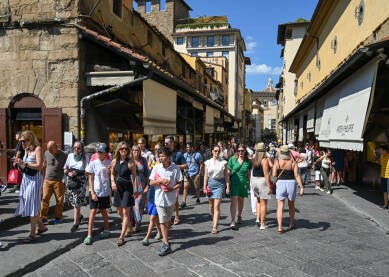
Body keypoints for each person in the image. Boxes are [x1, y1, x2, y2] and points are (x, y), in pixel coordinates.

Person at [149, 146, 183, 256]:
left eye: (162, 156)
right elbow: (151, 183)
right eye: (159, 156)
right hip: (159, 199)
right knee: (162, 221)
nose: (160, 158)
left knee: (167, 221)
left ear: (169, 157)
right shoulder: (156, 168)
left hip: (171, 200)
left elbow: (180, 183)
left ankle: (165, 238)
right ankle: (166, 244)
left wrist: (172, 189)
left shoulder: (175, 168)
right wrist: (160, 180)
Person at [14, 130, 47, 243]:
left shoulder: (38, 149)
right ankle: (42, 226)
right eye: (21, 141)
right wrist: (19, 163)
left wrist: (25, 163)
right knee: (28, 203)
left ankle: (32, 234)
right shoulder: (27, 150)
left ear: (30, 139)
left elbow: (39, 166)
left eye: (23, 141)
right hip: (27, 179)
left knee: (33, 206)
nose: (22, 143)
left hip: (35, 180)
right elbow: (26, 166)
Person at [111, 141, 139, 246]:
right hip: (118, 189)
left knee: (125, 213)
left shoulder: (131, 162)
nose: (124, 150)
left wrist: (136, 190)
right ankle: (129, 228)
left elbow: (135, 177)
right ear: (118, 149)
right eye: (122, 148)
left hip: (127, 189)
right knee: (119, 211)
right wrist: (113, 183)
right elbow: (112, 174)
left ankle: (121, 236)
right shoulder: (114, 161)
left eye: (126, 149)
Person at [84, 143, 112, 245]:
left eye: (101, 152)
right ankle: (89, 235)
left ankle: (107, 230)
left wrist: (110, 171)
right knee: (92, 212)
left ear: (105, 153)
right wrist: (92, 192)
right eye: (98, 152)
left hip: (104, 191)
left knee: (104, 211)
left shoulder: (109, 163)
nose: (98, 153)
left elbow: (111, 178)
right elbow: (90, 179)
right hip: (94, 190)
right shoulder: (93, 163)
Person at [272, 145, 304, 234]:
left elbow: (274, 175)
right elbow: (297, 175)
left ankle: (279, 227)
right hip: (291, 183)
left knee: (280, 206)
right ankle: (292, 223)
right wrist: (301, 187)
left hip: (281, 183)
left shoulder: (277, 162)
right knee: (291, 205)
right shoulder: (293, 162)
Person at [203, 145, 230, 234]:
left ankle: (215, 226)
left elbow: (226, 175)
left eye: (218, 151)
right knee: (211, 206)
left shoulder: (224, 162)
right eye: (215, 151)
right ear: (212, 151)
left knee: (216, 206)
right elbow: (206, 175)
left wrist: (227, 186)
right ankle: (215, 215)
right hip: (210, 184)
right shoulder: (208, 162)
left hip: (220, 184)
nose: (217, 153)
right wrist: (204, 186)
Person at [64, 141, 89, 233]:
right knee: (72, 201)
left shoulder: (85, 157)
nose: (76, 149)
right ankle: (80, 216)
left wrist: (77, 172)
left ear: (82, 148)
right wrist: (68, 173)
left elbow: (87, 171)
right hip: (71, 180)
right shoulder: (70, 156)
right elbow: (65, 168)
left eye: (78, 148)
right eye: (75, 148)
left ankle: (75, 223)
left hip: (81, 181)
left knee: (76, 202)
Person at [40, 141, 68, 224]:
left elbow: (67, 167)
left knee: (59, 201)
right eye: (48, 149)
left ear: (56, 147)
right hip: (47, 180)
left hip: (58, 181)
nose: (50, 151)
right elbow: (44, 164)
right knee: (45, 199)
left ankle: (58, 217)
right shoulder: (46, 153)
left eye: (51, 149)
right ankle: (43, 218)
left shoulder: (64, 155)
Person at [227, 144, 252, 230]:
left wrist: (249, 184)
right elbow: (228, 171)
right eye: (239, 150)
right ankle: (233, 221)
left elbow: (248, 173)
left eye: (242, 150)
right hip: (233, 183)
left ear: (245, 151)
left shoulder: (248, 161)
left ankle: (239, 215)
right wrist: (227, 183)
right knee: (233, 201)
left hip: (243, 183)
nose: (240, 152)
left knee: (241, 200)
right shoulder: (232, 159)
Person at [142, 143, 162, 245]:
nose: (157, 151)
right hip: (152, 190)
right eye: (155, 149)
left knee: (153, 217)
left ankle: (147, 237)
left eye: (159, 149)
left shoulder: (164, 161)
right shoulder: (152, 157)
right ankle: (159, 231)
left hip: (160, 191)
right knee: (154, 215)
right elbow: (148, 171)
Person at [164, 136, 187, 225]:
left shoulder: (178, 154)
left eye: (167, 143)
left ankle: (177, 216)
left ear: (172, 143)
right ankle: (168, 216)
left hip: (176, 179)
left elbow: (186, 165)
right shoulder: (164, 153)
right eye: (164, 143)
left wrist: (175, 165)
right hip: (166, 179)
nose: (165, 144)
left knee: (175, 199)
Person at [250, 143, 271, 230]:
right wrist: (269, 186)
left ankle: (258, 218)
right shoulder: (264, 159)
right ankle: (263, 224)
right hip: (262, 181)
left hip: (254, 180)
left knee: (258, 200)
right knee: (264, 203)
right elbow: (266, 173)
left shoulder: (254, 158)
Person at [130, 145, 149, 231]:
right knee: (133, 205)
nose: (136, 152)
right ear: (132, 151)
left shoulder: (143, 160)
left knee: (139, 205)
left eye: (138, 150)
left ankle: (138, 222)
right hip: (131, 184)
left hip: (142, 184)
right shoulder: (129, 160)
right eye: (134, 151)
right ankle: (134, 221)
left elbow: (147, 173)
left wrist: (148, 185)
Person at [181, 143, 203, 208]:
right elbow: (184, 163)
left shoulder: (198, 155)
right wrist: (184, 171)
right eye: (187, 147)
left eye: (189, 147)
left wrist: (199, 172)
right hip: (187, 173)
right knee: (185, 187)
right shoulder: (185, 155)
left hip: (195, 173)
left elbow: (201, 164)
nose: (187, 148)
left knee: (197, 187)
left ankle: (198, 198)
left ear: (192, 148)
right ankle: (184, 201)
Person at [378, 145, 389, 209]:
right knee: (384, 191)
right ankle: (385, 204)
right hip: (383, 176)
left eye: (380, 150)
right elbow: (382, 166)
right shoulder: (381, 157)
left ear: (385, 150)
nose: (379, 151)